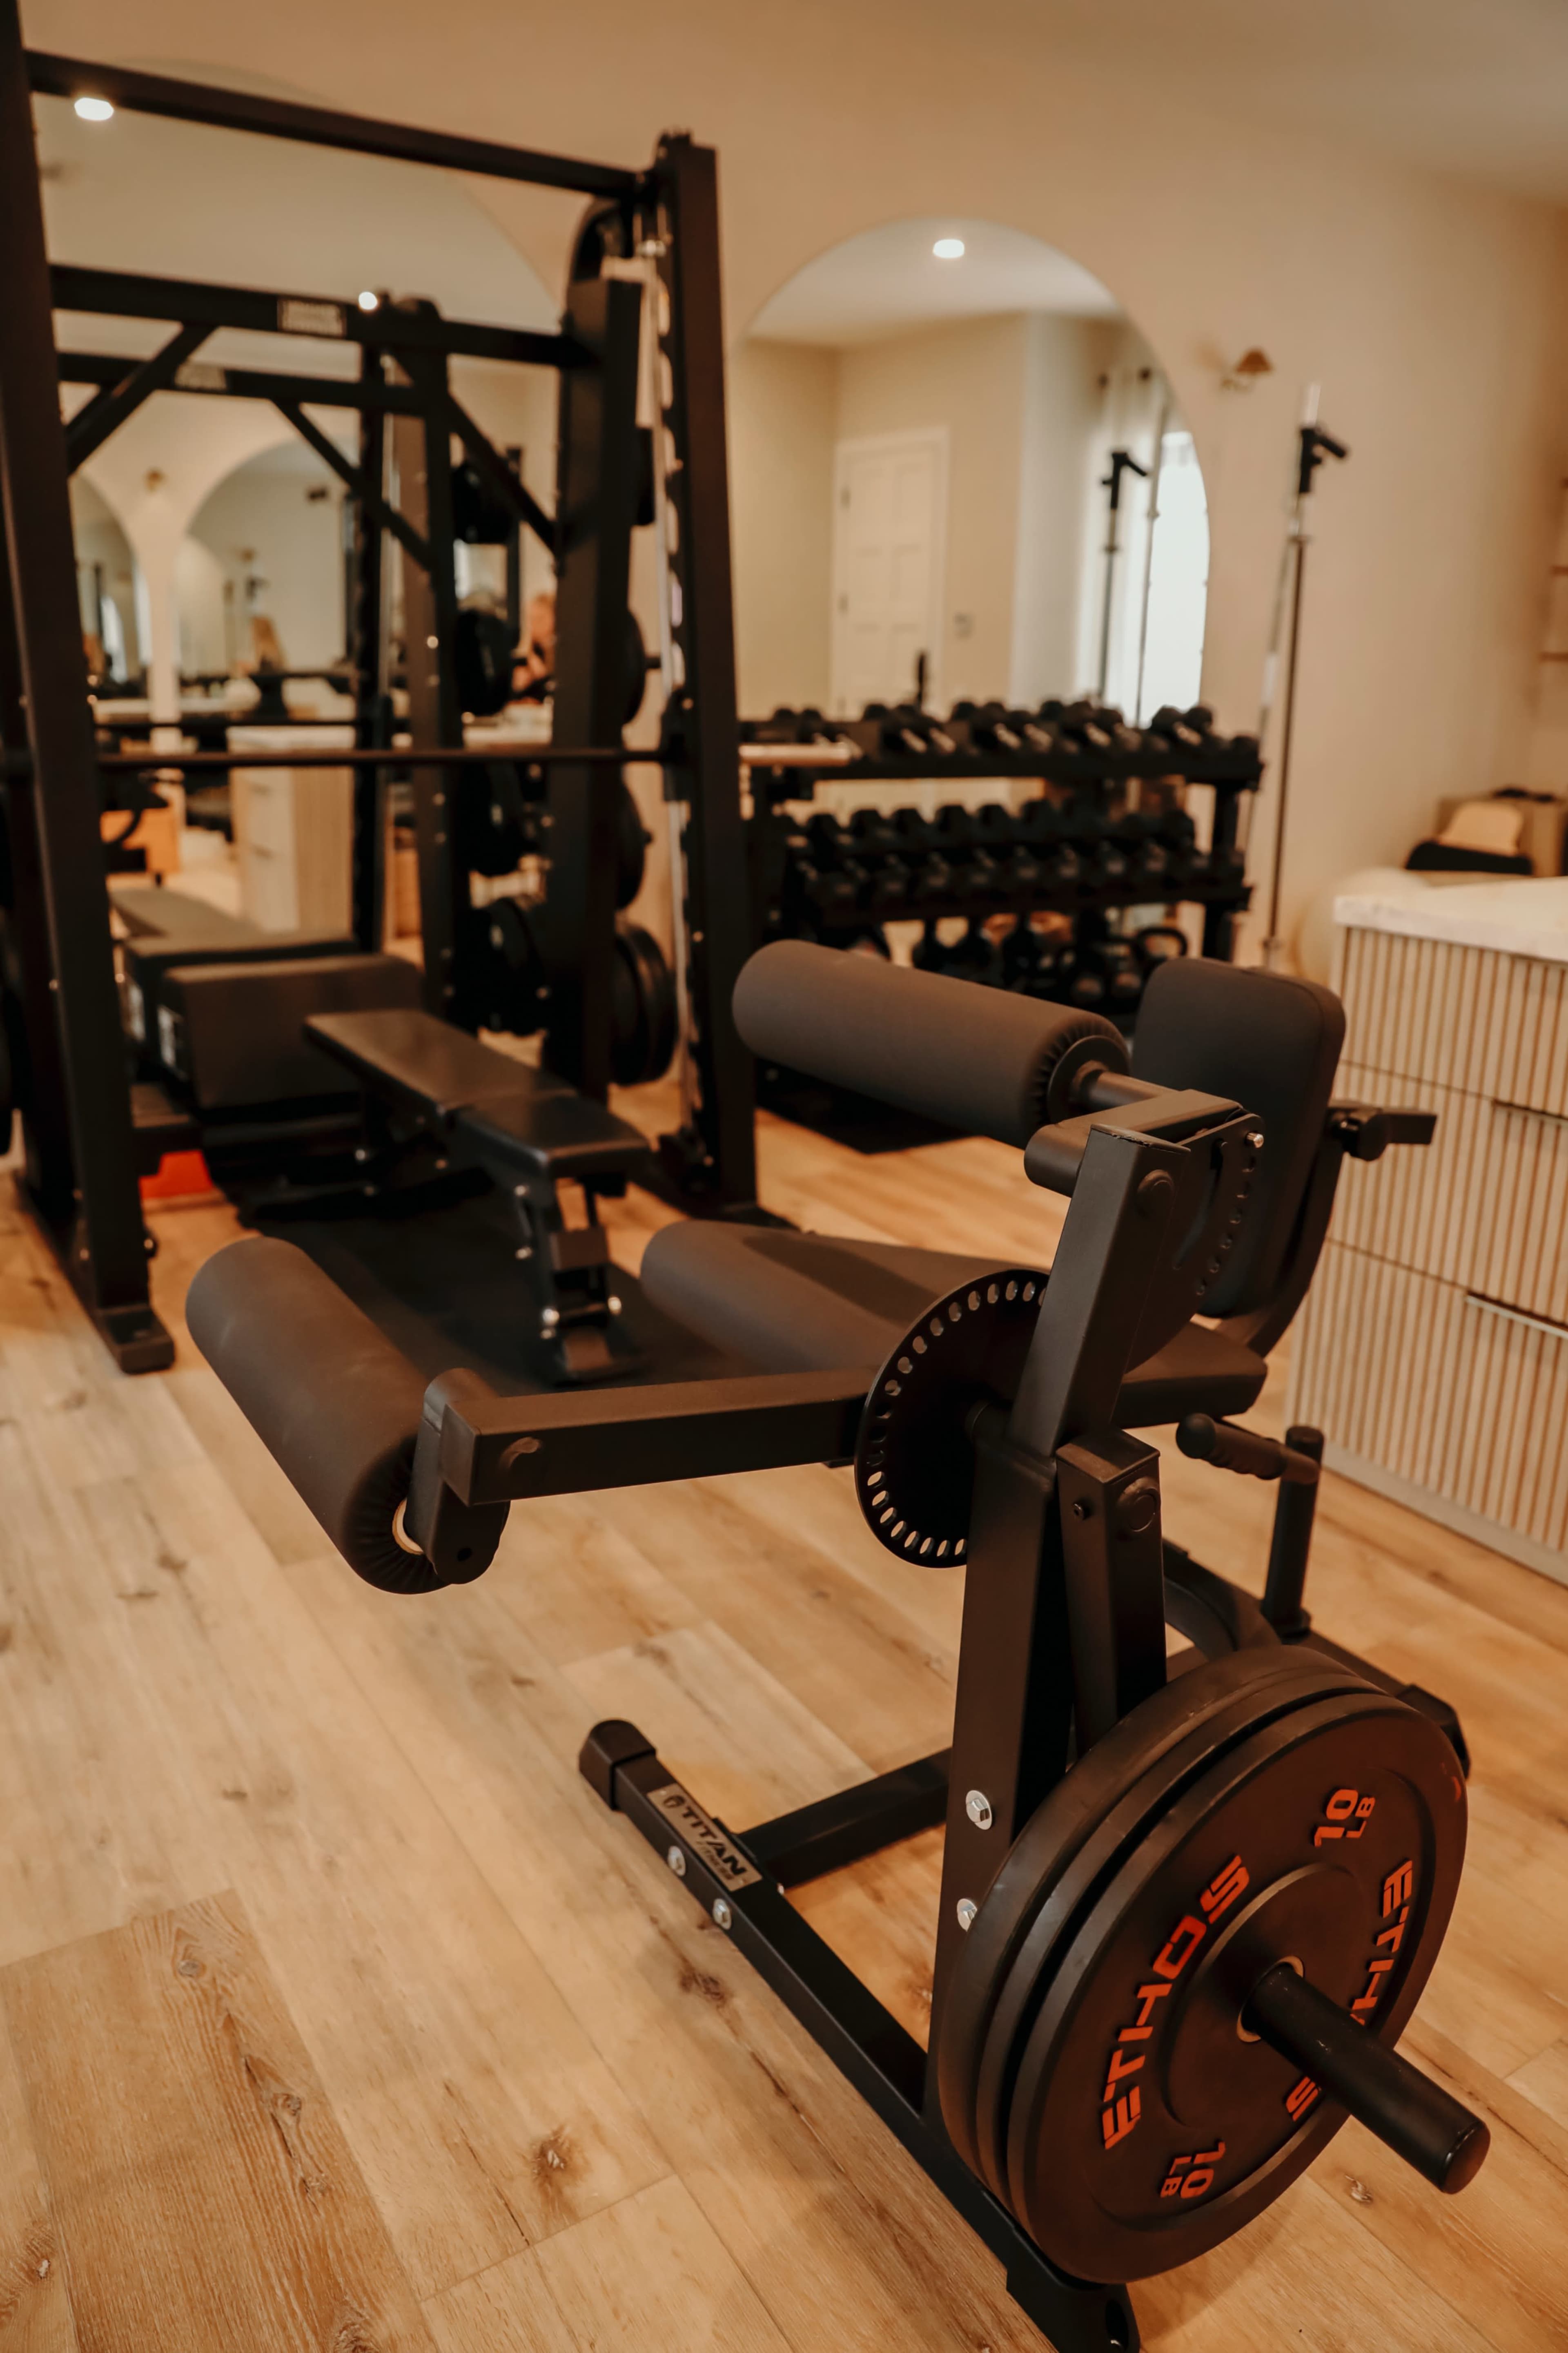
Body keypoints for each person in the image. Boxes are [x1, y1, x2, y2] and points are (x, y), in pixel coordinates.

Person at [510, 589, 555, 703]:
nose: (534, 625)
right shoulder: (532, 651)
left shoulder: (564, 650)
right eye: (531, 620)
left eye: (540, 619)